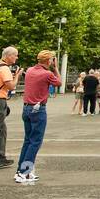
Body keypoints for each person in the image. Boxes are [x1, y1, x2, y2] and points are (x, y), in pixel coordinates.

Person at [16, 50, 62, 184]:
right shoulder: (47, 74)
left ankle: (21, 170)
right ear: (49, 61)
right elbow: (59, 83)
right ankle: (24, 172)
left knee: (27, 140)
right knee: (35, 141)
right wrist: (56, 68)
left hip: (26, 107)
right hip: (38, 109)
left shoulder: (30, 70)